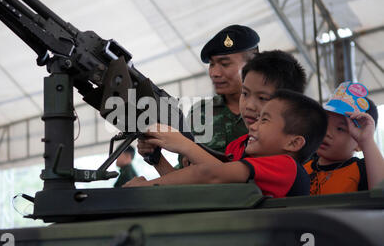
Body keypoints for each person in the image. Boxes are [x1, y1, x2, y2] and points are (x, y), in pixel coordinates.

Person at [125, 90, 328, 199]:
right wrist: (157, 159)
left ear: (293, 142)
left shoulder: (287, 166)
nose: (253, 127)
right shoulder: (246, 163)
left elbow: (209, 174)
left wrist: (145, 188)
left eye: (264, 120)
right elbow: (189, 192)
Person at [137, 50, 307, 175]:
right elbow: (194, 187)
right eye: (245, 94)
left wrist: (186, 146)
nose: (249, 105)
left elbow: (221, 179)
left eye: (262, 98)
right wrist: (156, 159)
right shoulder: (240, 145)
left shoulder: (287, 160)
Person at [138, 25, 260, 173]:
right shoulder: (200, 113)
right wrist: (155, 157)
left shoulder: (273, 110)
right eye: (212, 64)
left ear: (253, 64)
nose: (214, 73)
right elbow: (186, 183)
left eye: (225, 64)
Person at [304, 95, 384, 195]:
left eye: (340, 128)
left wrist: (366, 140)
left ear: (359, 144)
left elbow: (380, 192)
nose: (327, 132)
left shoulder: (363, 170)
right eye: (325, 123)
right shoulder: (302, 168)